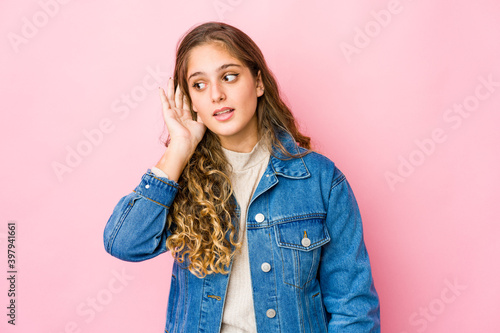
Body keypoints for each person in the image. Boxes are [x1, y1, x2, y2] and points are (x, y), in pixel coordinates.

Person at [103, 21, 380, 332]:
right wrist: (179, 148)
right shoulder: (182, 182)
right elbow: (124, 243)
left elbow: (353, 307)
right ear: (190, 101)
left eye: (229, 77)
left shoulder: (319, 180)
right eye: (199, 85)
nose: (217, 95)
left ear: (258, 82)